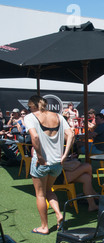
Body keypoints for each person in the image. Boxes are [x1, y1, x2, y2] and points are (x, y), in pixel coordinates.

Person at [24, 95, 74, 235]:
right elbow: (71, 134)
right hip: (57, 163)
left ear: (32, 106)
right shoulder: (58, 116)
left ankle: (44, 227)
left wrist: (39, 156)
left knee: (40, 194)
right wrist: (65, 154)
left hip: (42, 162)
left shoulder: (30, 117)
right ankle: (58, 214)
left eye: (29, 107)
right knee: (48, 190)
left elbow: (34, 137)